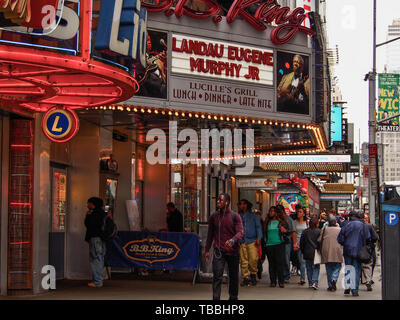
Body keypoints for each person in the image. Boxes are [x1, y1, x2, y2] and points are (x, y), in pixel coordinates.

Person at [204, 193, 244, 300]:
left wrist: (233, 240)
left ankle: (233, 297)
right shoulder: (214, 217)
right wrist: (207, 250)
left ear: (227, 202)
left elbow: (240, 232)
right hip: (219, 251)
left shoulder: (235, 216)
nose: (218, 202)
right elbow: (210, 235)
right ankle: (216, 298)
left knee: (233, 276)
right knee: (217, 276)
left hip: (233, 251)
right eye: (217, 200)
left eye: (220, 200)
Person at [337, 210, 371, 297]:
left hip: (347, 250)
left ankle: (348, 286)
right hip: (359, 250)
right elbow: (368, 237)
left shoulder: (346, 225)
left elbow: (340, 239)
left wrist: (345, 243)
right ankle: (355, 290)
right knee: (356, 269)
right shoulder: (363, 226)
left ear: (351, 217)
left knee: (348, 268)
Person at [238, 199, 263, 286]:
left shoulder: (254, 216)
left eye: (244, 204)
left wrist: (258, 238)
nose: (242, 206)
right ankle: (245, 277)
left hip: (252, 240)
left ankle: (253, 274)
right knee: (243, 260)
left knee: (253, 259)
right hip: (242, 241)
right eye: (241, 204)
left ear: (247, 205)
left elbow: (258, 227)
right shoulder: (238, 216)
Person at [264, 206, 290, 288]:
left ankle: (281, 281)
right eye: (270, 211)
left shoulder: (281, 222)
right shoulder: (267, 222)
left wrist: (284, 230)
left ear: (276, 213)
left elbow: (288, 232)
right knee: (271, 264)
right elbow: (264, 233)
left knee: (279, 263)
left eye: (272, 211)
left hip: (279, 244)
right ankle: (273, 281)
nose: (271, 213)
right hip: (269, 244)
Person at [84, 197, 107, 288]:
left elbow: (89, 225)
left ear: (93, 204)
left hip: (95, 238)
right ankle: (98, 279)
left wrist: (88, 216)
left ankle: (97, 281)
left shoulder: (95, 214)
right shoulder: (103, 213)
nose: (87, 205)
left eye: (88, 203)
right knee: (100, 258)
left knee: (95, 259)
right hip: (101, 239)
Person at [136, 34, 167, 98]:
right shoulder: (137, 55)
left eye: (150, 40)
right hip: (143, 82)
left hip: (155, 88)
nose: (149, 42)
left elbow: (164, 80)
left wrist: (161, 71)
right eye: (147, 40)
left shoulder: (156, 59)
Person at [318, 215, 343, 292]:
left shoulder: (324, 229)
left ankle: (330, 285)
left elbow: (319, 239)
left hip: (326, 249)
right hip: (337, 250)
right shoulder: (340, 229)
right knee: (338, 265)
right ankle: (334, 279)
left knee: (328, 268)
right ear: (336, 222)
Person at [300, 215, 321, 289]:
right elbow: (320, 242)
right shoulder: (319, 231)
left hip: (307, 251)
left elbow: (301, 242)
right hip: (315, 252)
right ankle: (315, 282)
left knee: (308, 267)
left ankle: (310, 282)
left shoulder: (305, 231)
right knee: (316, 267)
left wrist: (302, 250)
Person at [277, 204, 295, 283]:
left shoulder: (288, 219)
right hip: (277, 241)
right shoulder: (276, 219)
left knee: (286, 258)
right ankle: (280, 274)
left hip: (286, 241)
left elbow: (293, 231)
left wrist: (294, 243)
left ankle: (286, 274)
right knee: (278, 259)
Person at [360, 213, 379, 292]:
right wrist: (371, 244)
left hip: (358, 247)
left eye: (367, 218)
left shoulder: (355, 225)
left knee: (360, 265)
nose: (366, 219)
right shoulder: (369, 226)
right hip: (367, 248)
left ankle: (354, 284)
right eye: (364, 218)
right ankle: (368, 280)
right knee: (367, 264)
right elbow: (375, 237)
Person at [293, 204, 308, 285]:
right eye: (297, 212)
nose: (298, 213)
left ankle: (303, 278)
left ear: (303, 214)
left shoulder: (307, 222)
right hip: (298, 244)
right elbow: (294, 233)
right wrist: (295, 243)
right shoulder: (294, 222)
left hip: (305, 244)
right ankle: (302, 277)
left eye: (300, 212)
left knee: (304, 261)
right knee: (301, 261)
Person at [255, 210, 265, 280]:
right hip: (254, 241)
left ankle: (259, 269)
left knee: (260, 257)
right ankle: (257, 270)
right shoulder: (253, 224)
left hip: (261, 242)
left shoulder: (263, 223)